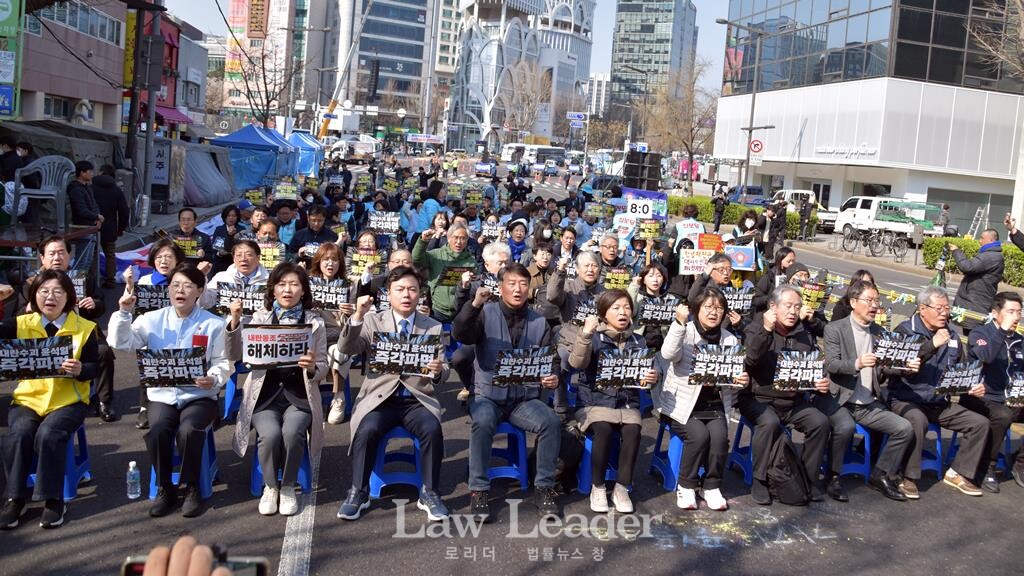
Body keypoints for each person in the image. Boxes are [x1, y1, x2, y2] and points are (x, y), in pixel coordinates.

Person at [108, 264, 232, 517]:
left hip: (199, 397)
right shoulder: (150, 320)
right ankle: (166, 488)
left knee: (188, 430)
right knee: (158, 429)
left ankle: (192, 486)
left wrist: (213, 378)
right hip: (161, 395)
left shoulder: (214, 324)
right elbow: (122, 343)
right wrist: (123, 312)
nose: (180, 290)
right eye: (175, 285)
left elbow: (223, 363)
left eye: (187, 285)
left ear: (199, 290)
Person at [335, 266, 450, 522]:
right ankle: (358, 492)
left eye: (412, 289)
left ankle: (430, 493)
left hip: (416, 399)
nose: (406, 295)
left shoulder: (432, 326)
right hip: (380, 398)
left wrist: (439, 369)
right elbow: (347, 348)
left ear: (420, 294)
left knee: (432, 429)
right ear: (388, 293)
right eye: (400, 290)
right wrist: (357, 315)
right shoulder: (374, 321)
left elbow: (445, 371)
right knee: (367, 429)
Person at [453, 263, 562, 522]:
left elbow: (552, 358)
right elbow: (460, 333)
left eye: (523, 284)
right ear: (500, 287)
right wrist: (475, 304)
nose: (518, 289)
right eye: (512, 283)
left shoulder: (539, 321)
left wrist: (553, 376)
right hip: (488, 396)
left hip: (524, 399)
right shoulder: (485, 312)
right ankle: (478, 489)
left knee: (551, 422)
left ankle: (544, 487)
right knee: (481, 422)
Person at [0, 270, 99, 529]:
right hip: (28, 400)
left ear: (69, 297)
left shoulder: (85, 328)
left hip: (69, 401)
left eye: (57, 291)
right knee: (19, 433)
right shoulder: (21, 323)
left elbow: (94, 367)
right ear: (34, 297)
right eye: (43, 291)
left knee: (49, 433)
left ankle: (53, 498)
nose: (50, 297)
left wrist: (80, 370)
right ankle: (14, 498)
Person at [226, 263, 327, 516]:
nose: (288, 290)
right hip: (264, 396)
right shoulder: (259, 318)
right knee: (270, 435)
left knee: (292, 433)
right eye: (282, 284)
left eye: (294, 284)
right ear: (272, 290)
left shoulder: (315, 322)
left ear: (303, 290)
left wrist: (314, 367)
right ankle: (271, 486)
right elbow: (235, 354)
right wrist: (235, 320)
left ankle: (288, 487)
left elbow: (324, 363)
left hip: (300, 395)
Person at [816, 281, 916, 502]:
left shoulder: (879, 333)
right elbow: (832, 364)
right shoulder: (835, 329)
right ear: (853, 302)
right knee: (845, 426)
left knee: (904, 428)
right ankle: (833, 476)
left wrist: (905, 368)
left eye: (877, 301)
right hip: (838, 398)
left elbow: (887, 366)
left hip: (867, 403)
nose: (874, 306)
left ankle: (880, 474)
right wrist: (857, 363)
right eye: (869, 300)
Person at [889, 286, 992, 499]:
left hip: (938, 401)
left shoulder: (952, 335)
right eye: (939, 308)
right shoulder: (905, 331)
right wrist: (931, 345)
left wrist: (973, 385)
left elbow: (962, 369)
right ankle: (907, 476)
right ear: (922, 309)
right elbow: (895, 366)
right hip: (906, 398)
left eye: (947, 307)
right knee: (917, 420)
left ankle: (958, 472)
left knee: (979, 423)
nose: (944, 312)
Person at [740, 284, 832, 505]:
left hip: (792, 400)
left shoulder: (804, 334)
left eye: (797, 307)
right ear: (773, 307)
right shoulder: (756, 327)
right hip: (758, 398)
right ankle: (759, 479)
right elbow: (750, 359)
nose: (793, 311)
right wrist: (766, 330)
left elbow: (814, 365)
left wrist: (820, 381)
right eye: (788, 306)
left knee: (820, 422)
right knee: (769, 423)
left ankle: (807, 479)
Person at [570, 289, 659, 513]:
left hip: (627, 403)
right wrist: (585, 335)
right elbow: (577, 363)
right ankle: (598, 486)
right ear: (603, 313)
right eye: (616, 308)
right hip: (594, 402)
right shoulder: (594, 337)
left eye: (627, 307)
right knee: (604, 430)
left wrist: (651, 378)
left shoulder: (638, 341)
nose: (622, 312)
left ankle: (622, 487)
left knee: (632, 432)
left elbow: (647, 374)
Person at [659, 287, 747, 511]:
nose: (713, 312)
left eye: (719, 308)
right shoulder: (685, 331)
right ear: (697, 309)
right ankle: (686, 485)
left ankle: (711, 486)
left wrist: (740, 380)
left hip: (714, 405)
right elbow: (668, 354)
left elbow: (734, 375)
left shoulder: (729, 339)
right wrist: (678, 323)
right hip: (682, 406)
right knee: (698, 437)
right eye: (708, 307)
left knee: (719, 439)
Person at [27, 236, 117, 423]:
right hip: (45, 335)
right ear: (42, 258)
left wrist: (94, 303)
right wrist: (28, 309)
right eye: (51, 254)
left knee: (103, 352)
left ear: (69, 256)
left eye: (61, 253)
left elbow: (102, 305)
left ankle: (104, 402)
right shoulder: (31, 282)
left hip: (82, 332)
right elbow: (18, 315)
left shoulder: (83, 279)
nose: (57, 258)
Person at [963, 291, 1024, 492]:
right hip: (980, 396)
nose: (1016, 317)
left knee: (1010, 410)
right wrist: (1002, 331)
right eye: (1010, 312)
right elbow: (986, 357)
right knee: (1003, 414)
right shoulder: (980, 334)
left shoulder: (1020, 340)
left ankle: (1019, 461)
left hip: (1010, 398)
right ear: (995, 312)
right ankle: (987, 466)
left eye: (1019, 312)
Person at [547, 250, 605, 418]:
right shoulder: (569, 286)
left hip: (594, 342)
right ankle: (561, 405)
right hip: (569, 340)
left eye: (594, 266)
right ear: (578, 269)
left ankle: (587, 403)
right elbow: (551, 295)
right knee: (560, 360)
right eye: (586, 266)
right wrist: (559, 272)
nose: (590, 269)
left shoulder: (603, 292)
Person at [307, 243, 356, 425]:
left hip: (339, 335)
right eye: (326, 259)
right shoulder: (309, 284)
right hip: (316, 336)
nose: (330, 264)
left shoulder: (349, 286)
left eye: (334, 259)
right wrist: (309, 308)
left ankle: (338, 397)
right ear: (318, 262)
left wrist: (350, 312)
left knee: (339, 352)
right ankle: (313, 398)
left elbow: (354, 321)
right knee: (313, 356)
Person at [413, 223, 476, 323]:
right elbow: (416, 259)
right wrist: (423, 241)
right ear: (448, 238)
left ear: (467, 240)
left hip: (460, 311)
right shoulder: (436, 255)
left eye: (463, 238)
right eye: (455, 237)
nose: (458, 242)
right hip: (437, 310)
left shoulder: (471, 262)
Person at [950, 229, 1004, 334]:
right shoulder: (990, 254)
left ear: (991, 239)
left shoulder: (990, 256)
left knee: (974, 337)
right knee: (970, 336)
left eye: (982, 238)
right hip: (976, 302)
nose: (980, 241)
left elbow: (967, 267)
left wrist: (956, 251)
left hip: (977, 304)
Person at [90, 165, 129, 288]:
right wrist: (121, 228)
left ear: (100, 172)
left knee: (92, 253)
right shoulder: (116, 190)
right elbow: (124, 211)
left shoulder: (91, 187)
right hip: (110, 227)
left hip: (92, 226)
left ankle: (92, 281)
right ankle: (110, 280)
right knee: (110, 255)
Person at [752, 247, 797, 312]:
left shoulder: (794, 277)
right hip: (767, 314)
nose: (791, 264)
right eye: (788, 261)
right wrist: (770, 298)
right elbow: (755, 300)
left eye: (793, 261)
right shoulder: (768, 276)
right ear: (780, 261)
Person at [169, 208, 213, 272]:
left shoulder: (204, 238)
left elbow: (210, 259)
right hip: (176, 271)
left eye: (189, 220)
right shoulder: (172, 237)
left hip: (195, 272)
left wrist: (203, 255)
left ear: (195, 222)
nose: (186, 223)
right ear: (179, 222)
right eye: (183, 220)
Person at [211, 205, 242, 276]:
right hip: (220, 265)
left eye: (233, 216)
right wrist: (219, 253)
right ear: (224, 217)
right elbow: (214, 248)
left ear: (237, 217)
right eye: (228, 216)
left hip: (236, 264)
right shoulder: (219, 229)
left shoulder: (242, 230)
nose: (231, 218)